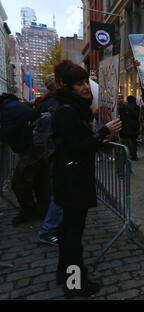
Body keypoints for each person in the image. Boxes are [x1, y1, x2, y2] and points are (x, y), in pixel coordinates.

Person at [52, 60, 122, 298]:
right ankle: (74, 285)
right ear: (69, 88)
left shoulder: (73, 109)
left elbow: (81, 143)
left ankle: (64, 274)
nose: (85, 87)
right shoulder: (67, 111)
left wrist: (98, 140)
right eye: (79, 84)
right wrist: (103, 131)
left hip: (73, 177)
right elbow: (77, 146)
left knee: (69, 231)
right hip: (72, 181)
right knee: (73, 236)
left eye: (85, 83)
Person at [0, 93, 50, 226]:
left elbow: (6, 132)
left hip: (30, 149)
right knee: (40, 181)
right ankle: (42, 210)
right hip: (35, 147)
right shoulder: (12, 106)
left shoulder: (9, 109)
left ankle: (29, 211)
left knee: (19, 182)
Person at [36, 73, 64, 246]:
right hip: (57, 153)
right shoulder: (54, 103)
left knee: (59, 193)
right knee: (60, 194)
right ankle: (48, 230)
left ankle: (52, 227)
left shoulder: (45, 102)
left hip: (51, 152)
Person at [118, 95, 140, 161]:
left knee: (130, 142)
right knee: (134, 142)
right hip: (135, 127)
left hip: (128, 128)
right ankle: (134, 155)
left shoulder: (126, 107)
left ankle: (129, 155)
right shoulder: (136, 107)